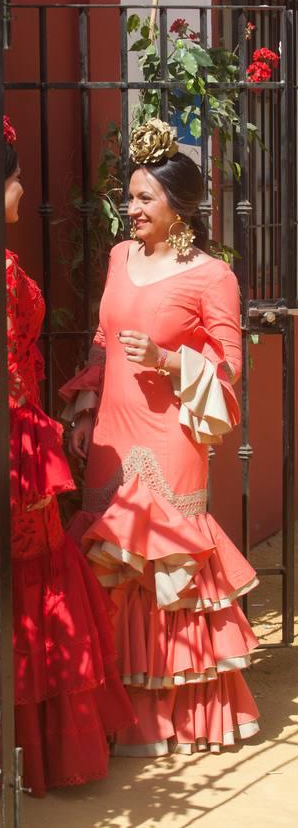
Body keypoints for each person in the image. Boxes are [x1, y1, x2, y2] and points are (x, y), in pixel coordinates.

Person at [0, 106, 135, 796]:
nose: (22, 192)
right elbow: (4, 367)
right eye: (15, 181)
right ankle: (30, 746)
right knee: (29, 567)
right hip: (4, 429)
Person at [61, 118, 260, 755]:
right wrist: (85, 409)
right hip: (112, 433)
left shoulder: (212, 275)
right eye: (130, 197)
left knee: (168, 576)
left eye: (145, 198)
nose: (133, 208)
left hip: (171, 437)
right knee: (110, 569)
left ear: (179, 206)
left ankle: (174, 720)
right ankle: (111, 710)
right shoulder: (119, 258)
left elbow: (230, 366)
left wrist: (169, 360)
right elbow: (102, 339)